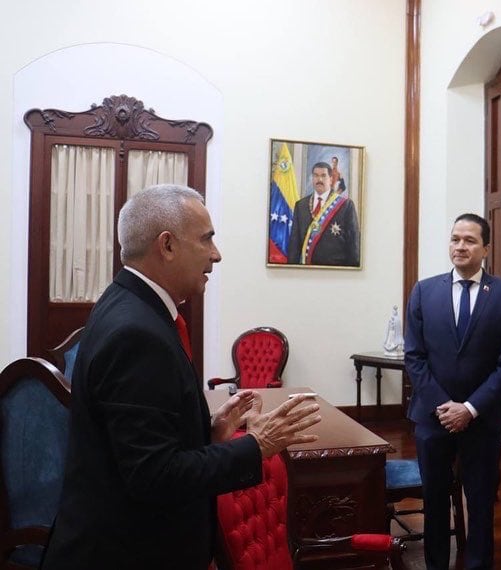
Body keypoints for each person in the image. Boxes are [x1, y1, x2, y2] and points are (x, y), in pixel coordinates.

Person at [42, 184, 322, 570]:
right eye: (207, 239)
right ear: (167, 245)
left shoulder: (130, 303)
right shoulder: (135, 333)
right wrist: (257, 445)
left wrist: (209, 431)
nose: (217, 254)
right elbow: (153, 476)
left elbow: (140, 439)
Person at [404, 213, 501, 570]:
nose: (460, 246)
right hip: (432, 417)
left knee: (481, 501)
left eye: (470, 240)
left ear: (486, 248)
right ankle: (436, 564)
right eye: (455, 239)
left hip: (482, 420)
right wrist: (446, 406)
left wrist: (469, 408)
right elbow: (415, 356)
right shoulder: (424, 291)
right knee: (435, 500)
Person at [287, 161, 360, 266]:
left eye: (323, 176)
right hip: (306, 273)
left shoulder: (346, 206)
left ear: (331, 179)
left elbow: (354, 244)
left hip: (335, 272)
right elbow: (294, 243)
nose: (319, 180)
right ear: (312, 179)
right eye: (316, 176)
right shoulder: (300, 205)